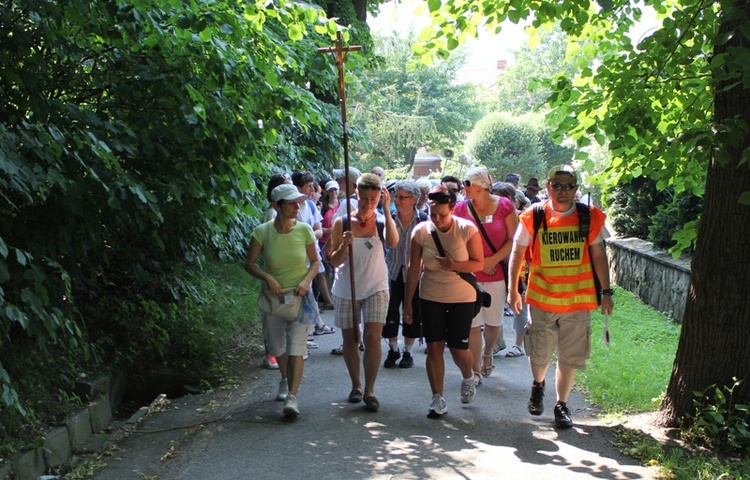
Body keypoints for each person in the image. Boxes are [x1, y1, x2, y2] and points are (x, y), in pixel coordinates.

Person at [507, 165, 614, 429]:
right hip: (542, 298)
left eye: (568, 186)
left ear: (576, 189)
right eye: (557, 185)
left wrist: (607, 292)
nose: (563, 191)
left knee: (570, 356)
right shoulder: (534, 216)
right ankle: (539, 384)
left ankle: (561, 405)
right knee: (540, 355)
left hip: (578, 300)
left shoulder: (589, 217)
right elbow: (517, 254)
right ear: (548, 187)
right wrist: (512, 290)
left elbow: (599, 256)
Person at [403, 185, 485, 419]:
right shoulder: (420, 232)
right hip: (430, 296)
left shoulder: (466, 229)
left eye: (442, 214)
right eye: (433, 214)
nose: (437, 219)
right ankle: (437, 398)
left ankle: (468, 376)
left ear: (452, 209)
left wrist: (454, 265)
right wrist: (408, 303)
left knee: (459, 350)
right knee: (434, 348)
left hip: (462, 297)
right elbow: (412, 268)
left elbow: (479, 264)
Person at [244, 184, 321, 417]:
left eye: (298, 202)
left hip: (299, 297)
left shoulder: (305, 230)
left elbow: (315, 262)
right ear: (277, 206)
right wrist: (267, 277)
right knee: (277, 346)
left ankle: (292, 397)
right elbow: (249, 263)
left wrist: (306, 281)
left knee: (296, 348)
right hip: (273, 299)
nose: (298, 206)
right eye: (291, 203)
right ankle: (285, 378)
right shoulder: (262, 232)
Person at [329, 173, 398, 412]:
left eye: (374, 198)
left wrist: (387, 211)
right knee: (350, 339)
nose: (368, 203)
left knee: (371, 338)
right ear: (356, 195)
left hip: (376, 287)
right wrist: (342, 246)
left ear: (381, 197)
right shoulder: (343, 223)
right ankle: (356, 385)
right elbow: (334, 261)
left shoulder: (382, 221)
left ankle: (370, 390)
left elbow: (392, 242)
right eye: (364, 198)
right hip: (347, 288)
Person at [454, 167, 517, 384]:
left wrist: (494, 259)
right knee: (472, 324)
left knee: (493, 322)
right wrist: (477, 263)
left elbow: (513, 240)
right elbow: (456, 241)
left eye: (468, 184)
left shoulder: (505, 206)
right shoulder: (460, 208)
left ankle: (488, 352)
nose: (465, 189)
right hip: (470, 274)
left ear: (482, 187)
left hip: (496, 272)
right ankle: (475, 369)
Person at [382, 181, 428, 369]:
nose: (397, 200)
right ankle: (393, 349)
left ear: (414, 200)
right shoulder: (388, 218)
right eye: (396, 196)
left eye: (402, 197)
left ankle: (408, 352)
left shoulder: (424, 220)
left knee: (413, 312)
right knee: (390, 311)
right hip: (391, 272)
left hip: (415, 274)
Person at [292, 171, 336, 336]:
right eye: (309, 186)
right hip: (298, 258)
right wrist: (309, 234)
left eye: (312, 186)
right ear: (298, 187)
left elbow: (317, 231)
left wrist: (307, 234)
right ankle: (311, 327)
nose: (313, 189)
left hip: (312, 254)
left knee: (310, 290)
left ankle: (312, 327)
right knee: (306, 291)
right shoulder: (292, 208)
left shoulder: (309, 206)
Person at [319, 180, 340, 305]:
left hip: (336, 240)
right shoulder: (323, 206)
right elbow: (316, 226)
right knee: (326, 270)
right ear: (327, 192)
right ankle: (328, 296)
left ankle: (337, 293)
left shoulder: (342, 205)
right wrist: (328, 230)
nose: (333, 192)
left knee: (337, 268)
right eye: (331, 190)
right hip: (323, 241)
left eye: (335, 189)